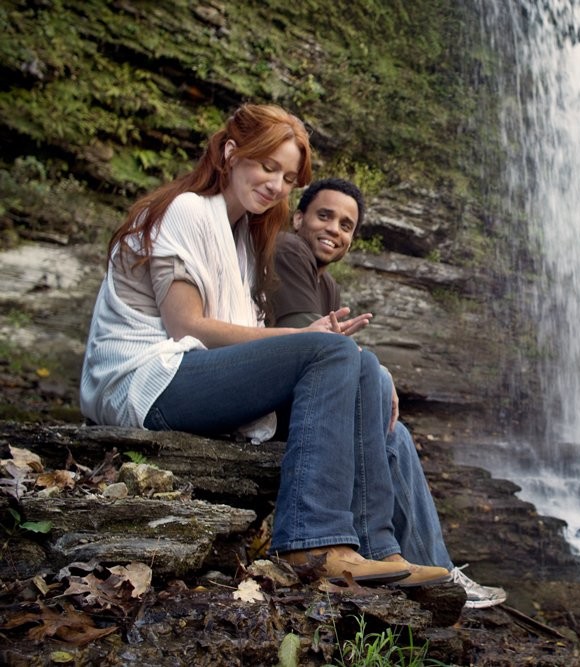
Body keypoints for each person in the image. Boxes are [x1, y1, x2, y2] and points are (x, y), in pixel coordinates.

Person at [78, 104, 449, 588]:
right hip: (144, 380)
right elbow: (185, 325)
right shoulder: (188, 209)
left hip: (188, 375)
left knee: (364, 367)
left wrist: (368, 374)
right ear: (231, 153)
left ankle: (379, 549)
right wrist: (304, 338)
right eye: (267, 166)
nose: (277, 185)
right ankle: (313, 543)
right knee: (332, 352)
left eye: (289, 177)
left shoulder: (242, 242)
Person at [269, 177, 508, 608]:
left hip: (305, 394)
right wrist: (376, 370)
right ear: (298, 217)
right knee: (376, 392)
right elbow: (315, 344)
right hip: (292, 399)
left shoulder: (327, 284)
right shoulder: (289, 250)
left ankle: (430, 569)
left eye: (346, 225)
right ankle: (392, 553)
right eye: (324, 216)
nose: (335, 230)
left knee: (395, 435)